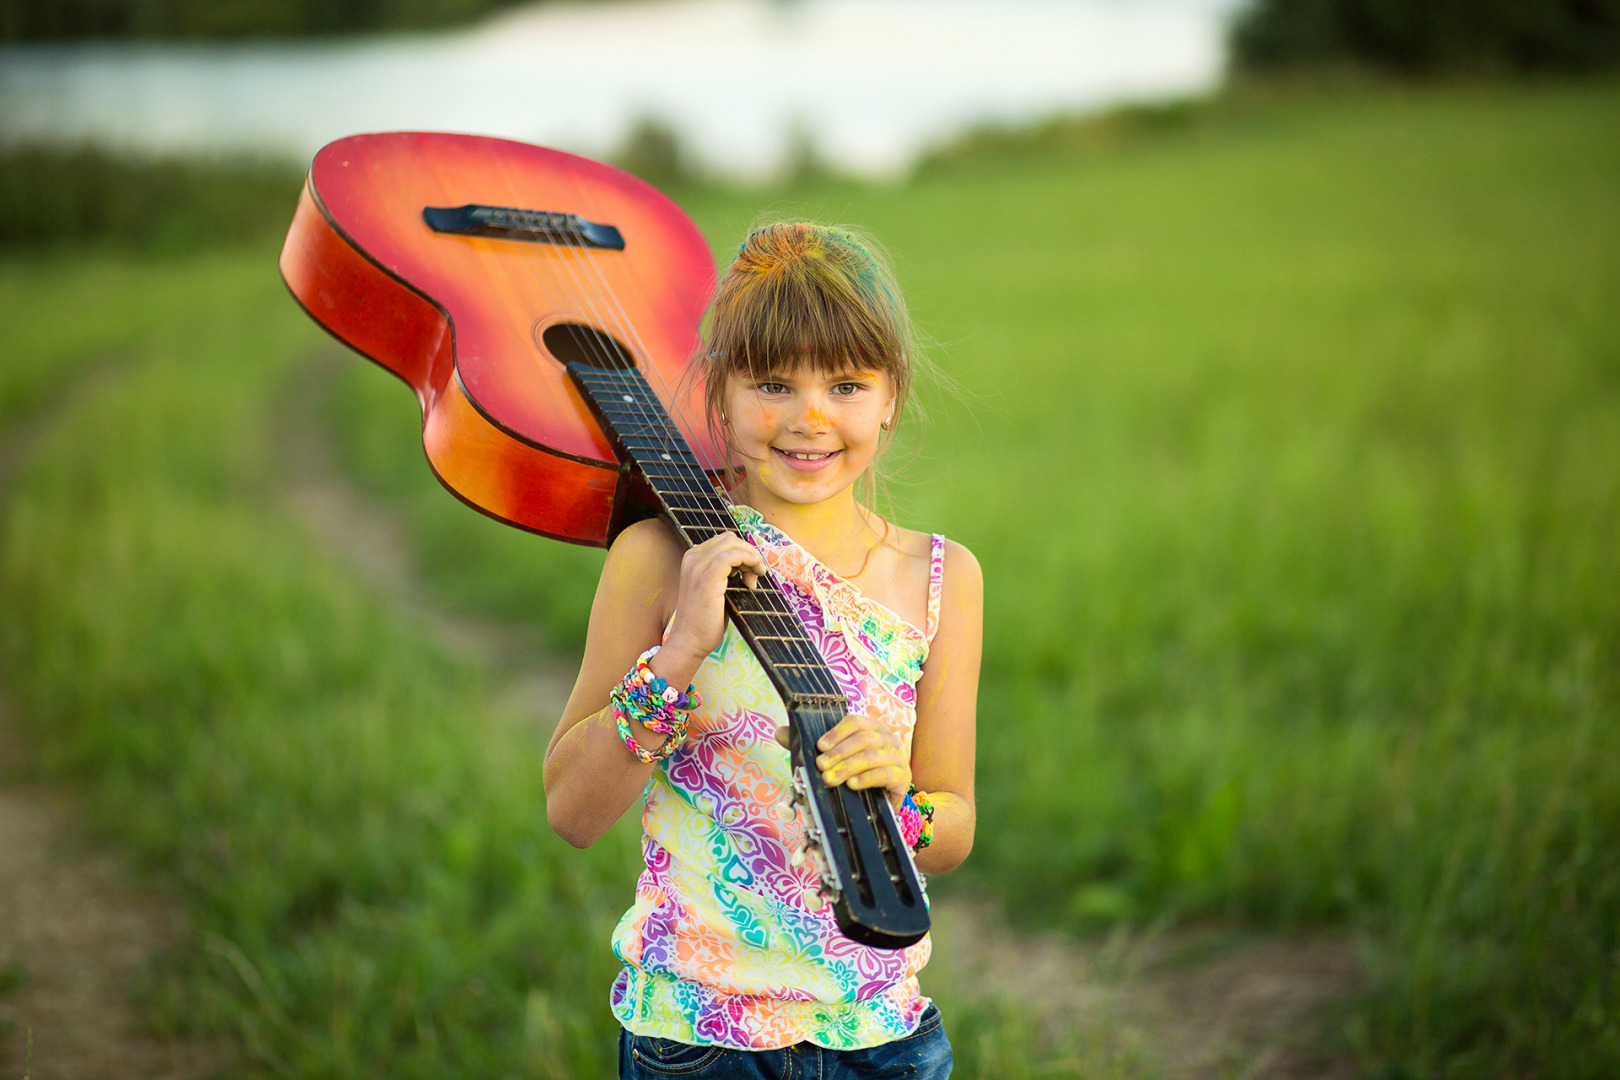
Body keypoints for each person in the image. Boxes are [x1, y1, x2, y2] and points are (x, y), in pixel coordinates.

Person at [543, 222, 982, 1080]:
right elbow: (572, 811)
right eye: (773, 383)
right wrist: (677, 655)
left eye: (848, 385)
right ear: (722, 393)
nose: (810, 418)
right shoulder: (660, 556)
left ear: (891, 396)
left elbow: (954, 825)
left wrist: (904, 803)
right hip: (698, 1040)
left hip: (881, 1037)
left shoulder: (944, 578)